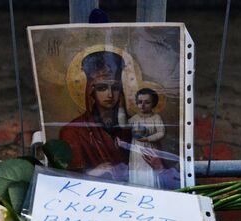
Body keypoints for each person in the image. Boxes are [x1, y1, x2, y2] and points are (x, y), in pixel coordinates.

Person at [59, 51, 131, 180]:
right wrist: (90, 172)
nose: (110, 95)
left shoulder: (130, 127)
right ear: (91, 92)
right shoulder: (72, 131)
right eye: (102, 88)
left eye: (115, 88)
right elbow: (66, 178)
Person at [121, 88, 165, 187]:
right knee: (138, 173)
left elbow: (161, 133)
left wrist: (147, 139)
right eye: (140, 102)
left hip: (150, 150)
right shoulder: (135, 118)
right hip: (136, 152)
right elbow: (123, 126)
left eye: (147, 102)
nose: (143, 105)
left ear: (153, 103)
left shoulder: (156, 118)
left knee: (150, 174)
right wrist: (120, 108)